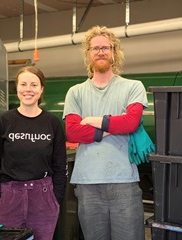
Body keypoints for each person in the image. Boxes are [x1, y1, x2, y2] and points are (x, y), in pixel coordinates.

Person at [63, 25, 147, 240]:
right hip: (87, 184)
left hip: (124, 182)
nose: (100, 52)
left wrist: (94, 121)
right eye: (95, 48)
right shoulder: (76, 92)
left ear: (114, 52)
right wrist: (105, 131)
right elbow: (72, 132)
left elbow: (131, 122)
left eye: (105, 47)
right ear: (88, 54)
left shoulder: (133, 86)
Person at [0, 66, 67, 240]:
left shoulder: (52, 123)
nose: (28, 89)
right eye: (23, 84)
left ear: (41, 89)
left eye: (34, 84)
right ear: (17, 88)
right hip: (8, 197)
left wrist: (55, 200)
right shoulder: (3, 121)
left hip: (44, 198)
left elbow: (60, 165)